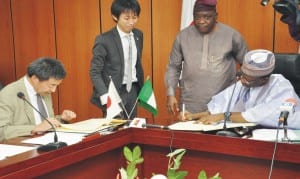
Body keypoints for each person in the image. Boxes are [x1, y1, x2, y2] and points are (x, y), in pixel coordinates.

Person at [165, 0, 248, 116]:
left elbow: (248, 65)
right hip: (190, 105)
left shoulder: (232, 36)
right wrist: (171, 93)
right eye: (197, 17)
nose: (201, 21)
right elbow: (173, 67)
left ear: (216, 16)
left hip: (223, 105)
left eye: (207, 17)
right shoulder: (182, 37)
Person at [181, 49, 300, 129]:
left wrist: (221, 116)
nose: (242, 81)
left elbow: (260, 115)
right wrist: (194, 116)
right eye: (241, 75)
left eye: (247, 79)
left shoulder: (281, 87)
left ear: (264, 79)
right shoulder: (244, 82)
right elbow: (221, 106)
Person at [90, 0, 144, 119]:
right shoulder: (104, 40)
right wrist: (105, 95)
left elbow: (136, 63)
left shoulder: (138, 35)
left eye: (134, 17)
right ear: (115, 17)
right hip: (113, 92)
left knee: (132, 128)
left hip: (133, 89)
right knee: (116, 131)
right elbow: (95, 72)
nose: (131, 22)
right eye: (127, 18)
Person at [0, 57, 76, 141]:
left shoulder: (44, 90)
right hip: (22, 147)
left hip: (48, 142)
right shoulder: (8, 94)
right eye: (52, 85)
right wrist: (34, 128)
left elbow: (43, 122)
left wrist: (62, 119)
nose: (53, 90)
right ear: (35, 79)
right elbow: (1, 131)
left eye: (56, 86)